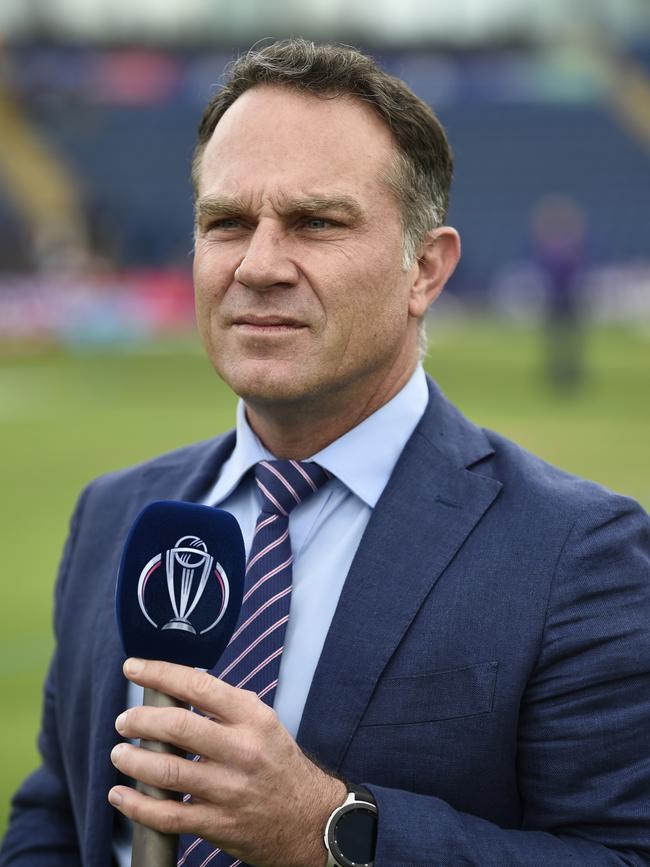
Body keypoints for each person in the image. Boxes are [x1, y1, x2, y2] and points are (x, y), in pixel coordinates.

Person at [2, 39, 650, 867]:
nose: (260, 265)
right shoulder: (115, 513)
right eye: (226, 222)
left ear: (427, 269)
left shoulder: (575, 552)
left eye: (317, 222)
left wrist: (328, 829)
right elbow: (56, 817)